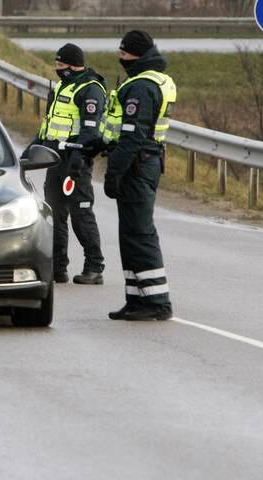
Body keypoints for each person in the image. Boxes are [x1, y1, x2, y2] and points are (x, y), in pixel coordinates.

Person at [102, 30, 177, 321]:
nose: (120, 59)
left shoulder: (142, 86)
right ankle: (136, 298)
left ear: (136, 54)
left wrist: (113, 173)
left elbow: (133, 136)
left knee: (140, 233)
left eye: (123, 54)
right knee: (129, 234)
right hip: (144, 161)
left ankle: (157, 302)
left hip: (137, 163)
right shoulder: (155, 79)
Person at [28, 43, 107, 285]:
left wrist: (79, 159)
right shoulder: (62, 85)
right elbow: (49, 125)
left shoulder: (90, 90)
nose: (57, 69)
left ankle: (94, 267)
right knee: (54, 214)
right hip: (55, 160)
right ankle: (57, 266)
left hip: (76, 161)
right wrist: (30, 150)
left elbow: (89, 129)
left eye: (61, 66)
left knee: (81, 214)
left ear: (74, 66)